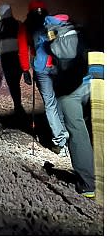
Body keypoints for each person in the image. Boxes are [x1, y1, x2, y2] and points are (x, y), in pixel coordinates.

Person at [44, 14, 95, 198]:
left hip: (70, 91)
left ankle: (88, 184)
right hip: (93, 84)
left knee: (77, 133)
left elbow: (47, 61)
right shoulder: (80, 32)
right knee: (95, 128)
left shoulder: (54, 38)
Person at [18, 0, 68, 152]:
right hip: (57, 65)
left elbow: (22, 48)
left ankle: (59, 140)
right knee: (60, 99)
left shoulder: (26, 25)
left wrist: (26, 70)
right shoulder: (51, 21)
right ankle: (67, 135)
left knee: (50, 102)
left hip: (41, 67)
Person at [0, 4, 25, 118]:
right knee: (16, 81)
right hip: (19, 55)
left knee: (11, 82)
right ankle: (18, 106)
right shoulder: (19, 23)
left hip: (7, 56)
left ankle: (18, 107)